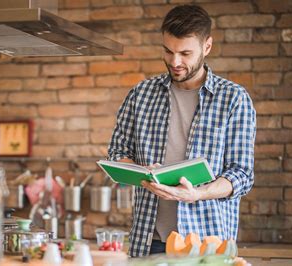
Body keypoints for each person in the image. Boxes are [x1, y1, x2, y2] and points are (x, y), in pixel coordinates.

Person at [107, 5, 256, 257]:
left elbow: (241, 175)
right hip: (148, 240)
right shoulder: (140, 94)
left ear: (207, 47)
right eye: (168, 51)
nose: (175, 62)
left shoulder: (234, 98)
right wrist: (142, 172)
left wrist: (196, 194)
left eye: (185, 53)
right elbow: (117, 152)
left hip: (207, 243)